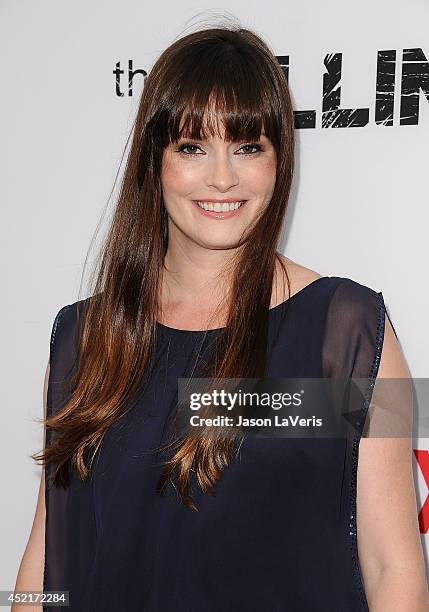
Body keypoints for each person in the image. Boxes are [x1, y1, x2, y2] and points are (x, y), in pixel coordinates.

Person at [14, 23, 429, 612]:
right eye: (191, 148)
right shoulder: (83, 337)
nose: (222, 178)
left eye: (247, 147)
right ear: (153, 162)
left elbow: (395, 570)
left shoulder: (352, 331)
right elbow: (48, 555)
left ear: (279, 160)